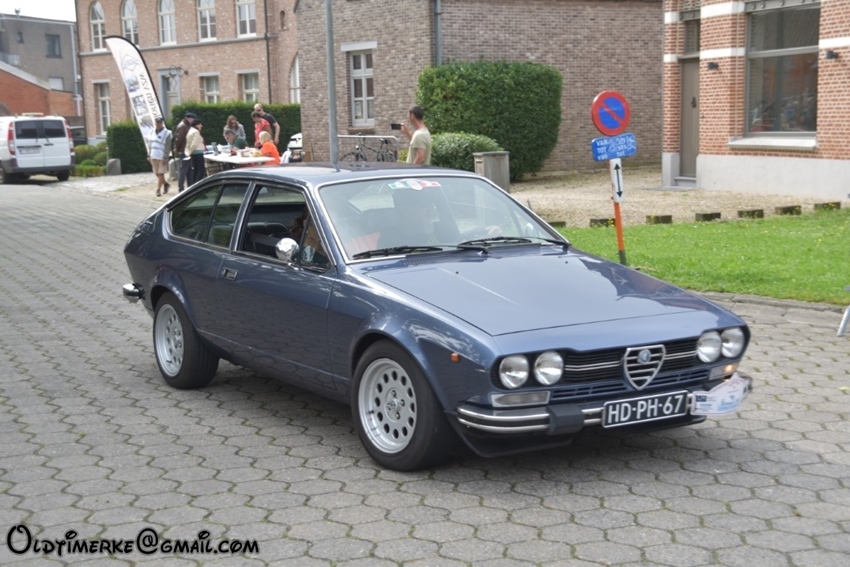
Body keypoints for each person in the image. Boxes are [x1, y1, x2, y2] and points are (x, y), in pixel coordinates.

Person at [147, 117, 172, 197]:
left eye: (160, 122)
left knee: (161, 173)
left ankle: (158, 190)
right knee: (156, 173)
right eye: (157, 122)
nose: (158, 124)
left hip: (161, 156)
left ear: (162, 123)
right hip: (153, 155)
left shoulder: (167, 133)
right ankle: (166, 184)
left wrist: (165, 157)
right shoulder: (151, 132)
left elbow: (168, 146)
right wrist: (149, 154)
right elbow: (149, 144)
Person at [173, 111, 195, 192]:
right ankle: (181, 188)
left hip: (186, 150)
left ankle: (190, 187)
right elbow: (179, 139)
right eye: (192, 119)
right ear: (189, 118)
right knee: (183, 170)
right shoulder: (183, 126)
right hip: (184, 150)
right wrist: (177, 148)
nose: (193, 120)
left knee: (188, 170)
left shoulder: (185, 125)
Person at [184, 118, 207, 185]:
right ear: (196, 125)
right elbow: (194, 144)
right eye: (200, 124)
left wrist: (188, 152)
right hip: (198, 153)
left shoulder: (190, 131)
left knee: (195, 170)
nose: (201, 126)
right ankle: (198, 185)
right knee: (200, 170)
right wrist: (190, 152)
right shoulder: (196, 132)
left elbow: (188, 143)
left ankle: (194, 184)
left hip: (193, 154)